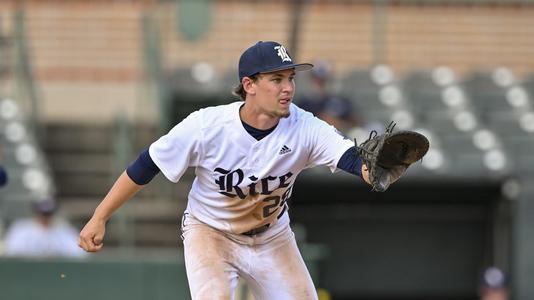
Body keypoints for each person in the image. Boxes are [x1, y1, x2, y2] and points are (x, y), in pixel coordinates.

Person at [78, 41, 385, 299]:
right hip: (211, 233)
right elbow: (145, 166)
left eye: (290, 79)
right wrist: (100, 217)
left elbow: (350, 158)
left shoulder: (304, 125)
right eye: (276, 80)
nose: (288, 88)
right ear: (249, 85)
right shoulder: (206, 127)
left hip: (272, 237)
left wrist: (375, 170)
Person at [3, 199, 87, 258]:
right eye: (42, 213)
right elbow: (11, 251)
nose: (45, 217)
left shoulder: (65, 230)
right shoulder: (21, 229)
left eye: (48, 214)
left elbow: (80, 254)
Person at [297, 60, 362, 134]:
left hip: (342, 137)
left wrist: (339, 123)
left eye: (323, 80)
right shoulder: (304, 103)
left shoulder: (341, 100)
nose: (320, 83)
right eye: (317, 79)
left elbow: (356, 121)